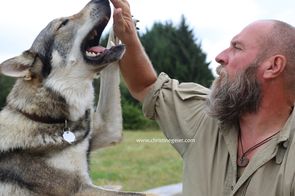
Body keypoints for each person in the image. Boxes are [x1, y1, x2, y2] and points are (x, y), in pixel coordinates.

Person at [110, 0, 295, 195]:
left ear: (273, 66)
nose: (220, 56)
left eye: (237, 47)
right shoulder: (203, 117)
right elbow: (146, 87)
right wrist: (128, 35)